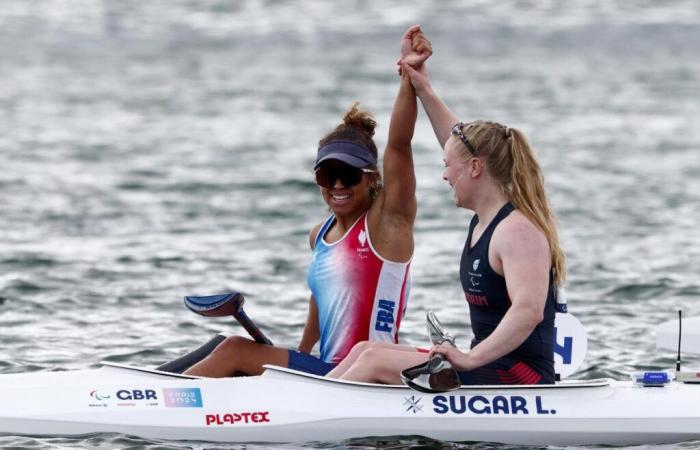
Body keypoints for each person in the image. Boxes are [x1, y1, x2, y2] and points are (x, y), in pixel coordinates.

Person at [184, 26, 433, 378]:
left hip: (369, 378)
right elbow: (319, 303)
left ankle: (156, 405)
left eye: (347, 175)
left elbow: (399, 146)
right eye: (326, 176)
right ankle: (154, 389)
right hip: (327, 372)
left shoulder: (387, 223)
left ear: (372, 177)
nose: (336, 186)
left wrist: (409, 79)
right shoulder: (320, 235)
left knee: (232, 351)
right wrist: (298, 357)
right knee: (223, 344)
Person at [327, 30, 566, 386]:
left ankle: (303, 417)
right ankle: (298, 400)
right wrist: (420, 84)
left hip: (521, 378)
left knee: (375, 361)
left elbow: (528, 311)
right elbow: (459, 141)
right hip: (489, 367)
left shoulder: (517, 231)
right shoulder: (488, 218)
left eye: (446, 166)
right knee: (366, 349)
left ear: (475, 169)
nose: (443, 176)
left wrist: (469, 359)